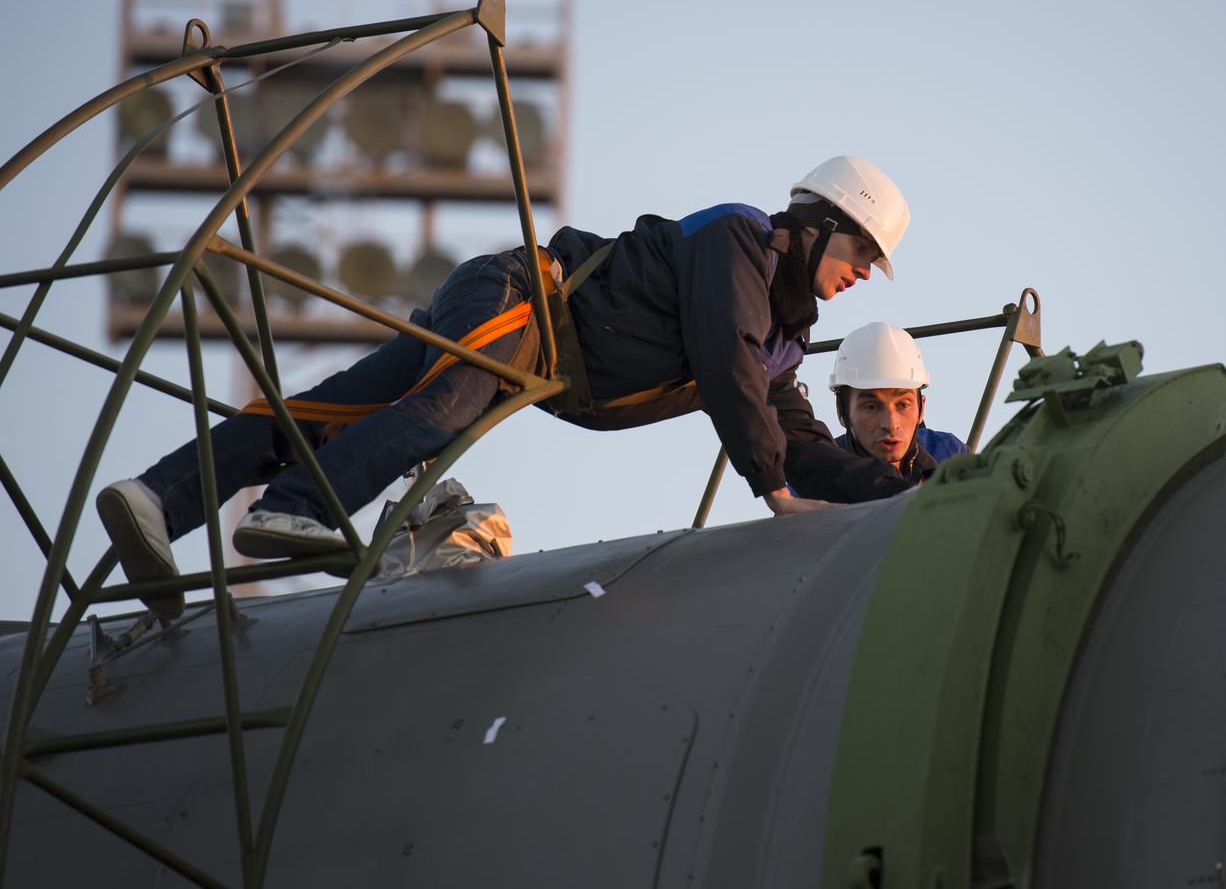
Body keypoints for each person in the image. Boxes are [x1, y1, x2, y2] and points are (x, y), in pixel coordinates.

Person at [97, 155, 910, 618]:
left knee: (321, 415)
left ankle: (154, 497)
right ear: (817, 223)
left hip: (530, 348)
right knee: (445, 408)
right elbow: (728, 369)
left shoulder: (781, 343)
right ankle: (299, 509)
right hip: (521, 298)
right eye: (862, 252)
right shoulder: (738, 243)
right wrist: (768, 487)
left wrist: (912, 488)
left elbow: (799, 443)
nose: (864, 274)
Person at [787, 322, 965, 502]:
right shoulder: (810, 484)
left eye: (903, 405)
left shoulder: (949, 455)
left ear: (922, 408)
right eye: (871, 407)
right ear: (842, 411)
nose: (890, 424)